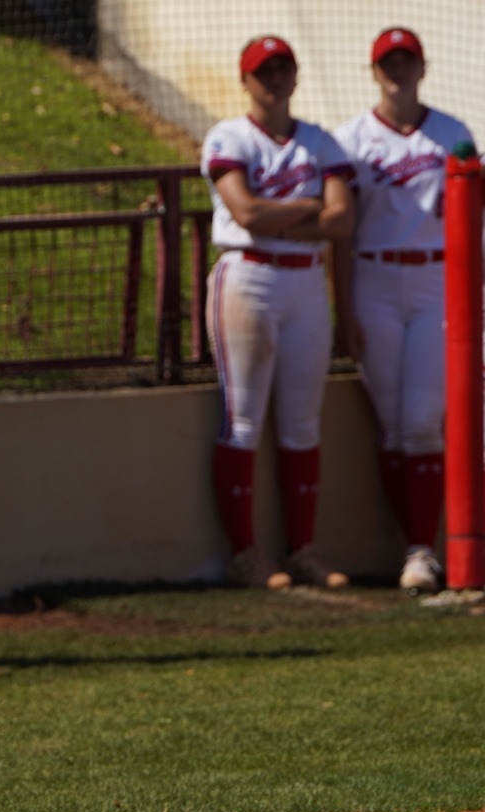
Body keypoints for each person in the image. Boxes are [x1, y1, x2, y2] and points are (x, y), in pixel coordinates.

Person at [201, 35, 357, 589]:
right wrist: (310, 206)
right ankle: (245, 553)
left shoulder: (319, 140)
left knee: (300, 421)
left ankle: (303, 549)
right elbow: (245, 213)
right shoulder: (229, 135)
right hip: (247, 275)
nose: (273, 79)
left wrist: (282, 216)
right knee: (242, 419)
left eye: (282, 69)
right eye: (262, 71)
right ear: (244, 79)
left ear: (295, 76)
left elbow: (343, 222)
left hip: (305, 282)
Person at [332, 28, 474, 594]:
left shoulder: (453, 134)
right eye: (388, 62)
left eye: (406, 60)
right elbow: (339, 233)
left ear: (423, 66)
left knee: (420, 421)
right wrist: (343, 307)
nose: (398, 70)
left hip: (437, 279)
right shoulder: (351, 140)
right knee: (393, 423)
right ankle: (415, 548)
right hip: (375, 277)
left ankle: (422, 552)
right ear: (373, 70)